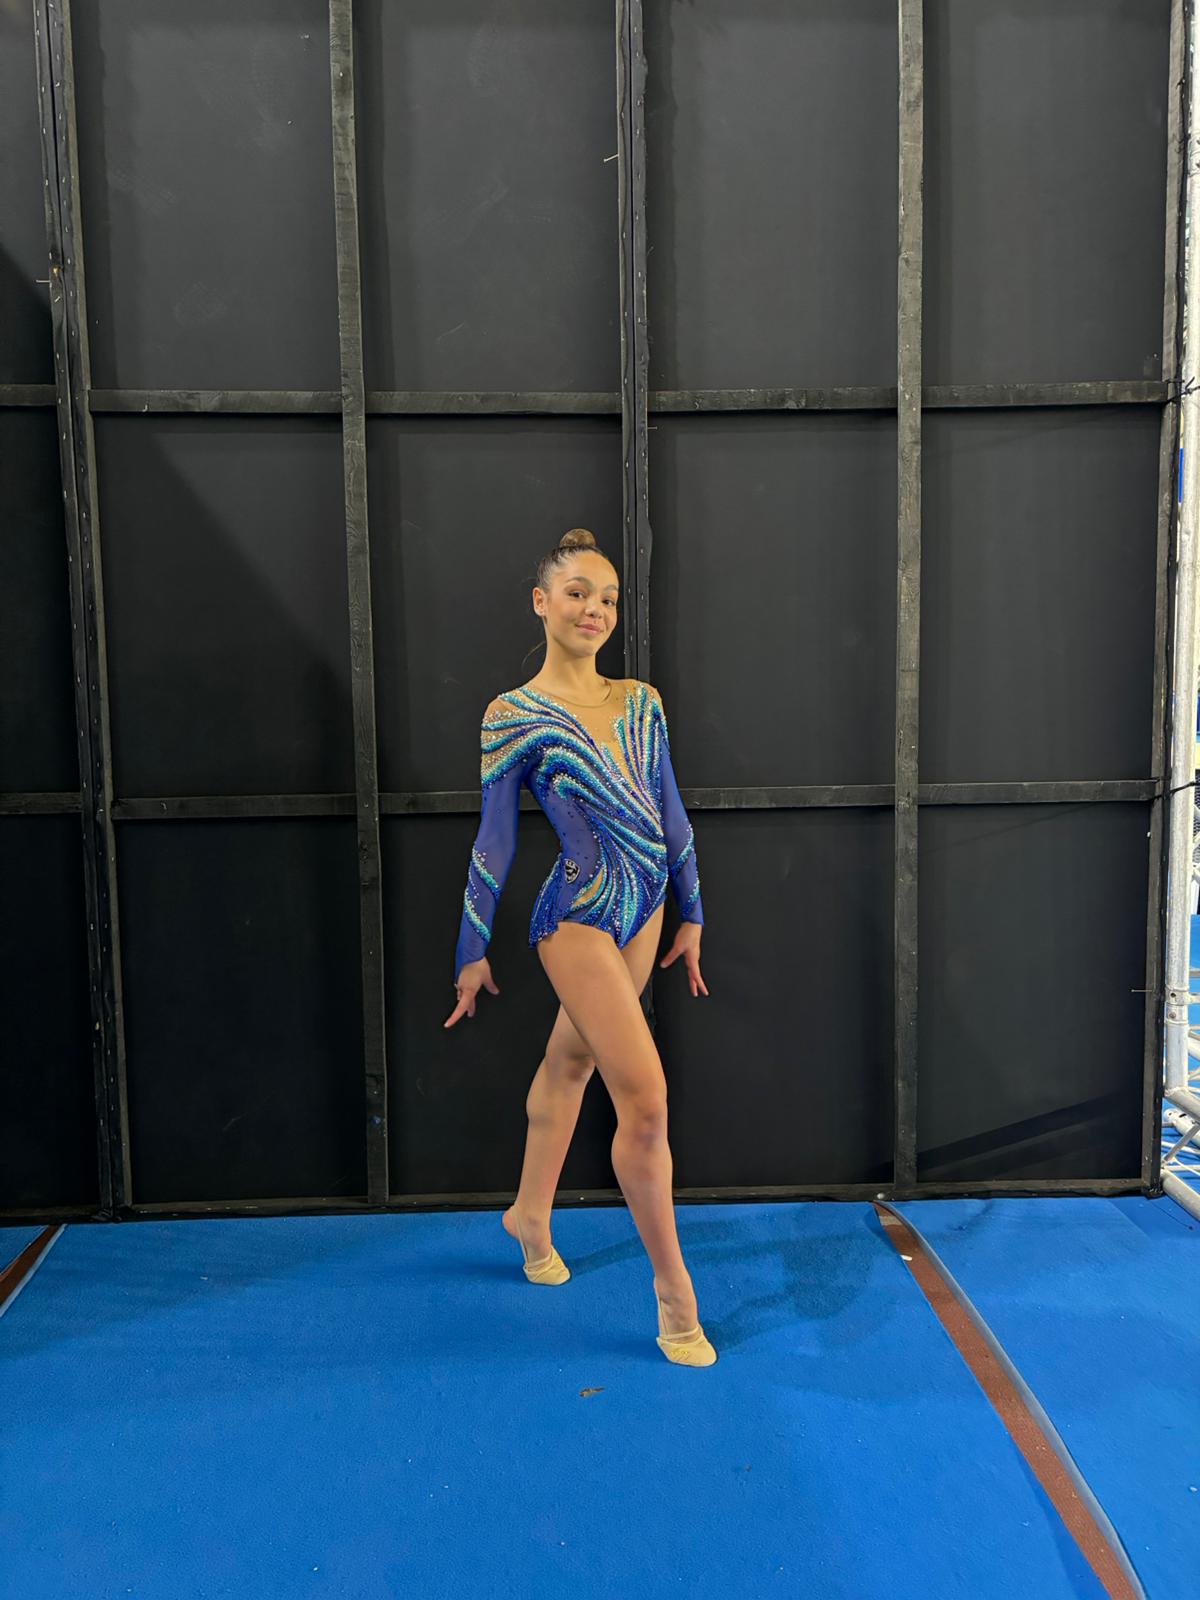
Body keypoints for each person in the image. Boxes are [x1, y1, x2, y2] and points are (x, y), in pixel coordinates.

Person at [443, 527, 717, 1367]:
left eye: (607, 598)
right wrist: (470, 948)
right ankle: (674, 1295)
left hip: (647, 912)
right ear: (542, 602)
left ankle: (529, 1214)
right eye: (576, 594)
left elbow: (670, 812)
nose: (594, 609)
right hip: (577, 917)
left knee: (569, 1064)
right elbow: (494, 840)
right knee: (647, 1102)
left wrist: (693, 910)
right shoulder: (512, 716)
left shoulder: (642, 701)